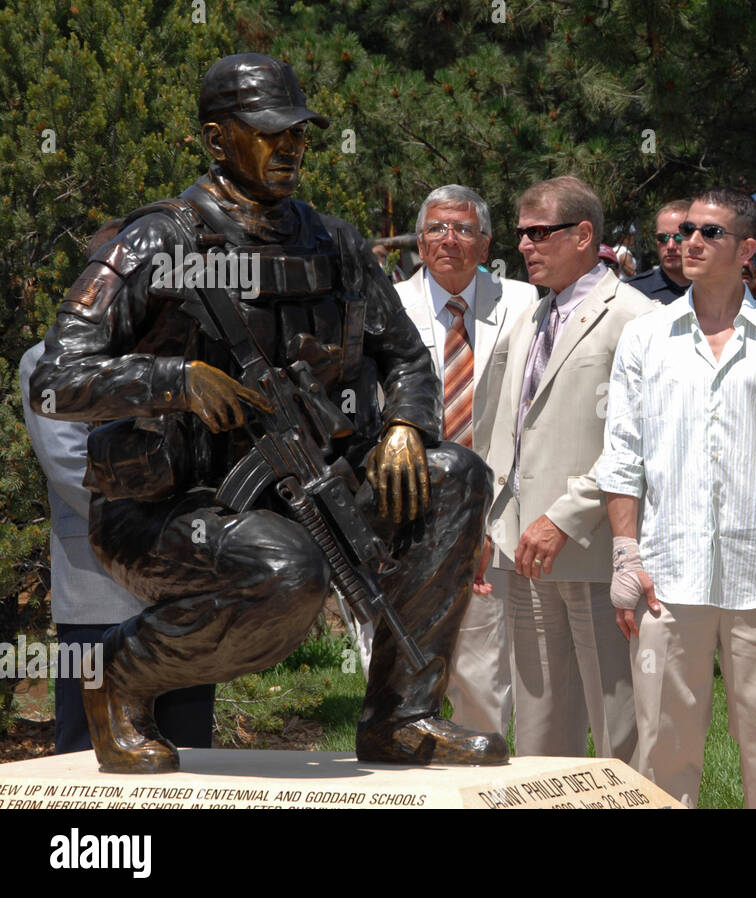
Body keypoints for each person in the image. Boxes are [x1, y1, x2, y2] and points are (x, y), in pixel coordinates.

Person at [29, 52, 504, 772]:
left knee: (456, 475)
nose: (291, 147)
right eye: (270, 132)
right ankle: (120, 674)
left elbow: (407, 356)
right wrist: (174, 379)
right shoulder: (157, 240)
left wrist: (407, 425)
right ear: (217, 140)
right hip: (168, 510)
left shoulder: (335, 242)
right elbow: (56, 378)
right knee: (287, 568)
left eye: (299, 133)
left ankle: (402, 717)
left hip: (311, 483)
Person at [598, 187, 756, 808]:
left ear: (746, 250)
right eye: (683, 230)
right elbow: (623, 453)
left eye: (709, 232)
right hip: (667, 574)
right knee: (663, 748)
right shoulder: (645, 336)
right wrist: (626, 555)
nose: (689, 241)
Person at [481, 175, 655, 762]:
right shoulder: (529, 318)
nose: (524, 245)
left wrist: (564, 517)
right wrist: (489, 524)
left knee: (618, 728)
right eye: (521, 233)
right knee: (540, 729)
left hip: (595, 548)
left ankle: (627, 805)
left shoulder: (636, 317)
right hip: (522, 550)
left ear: (583, 235)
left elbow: (635, 443)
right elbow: (504, 431)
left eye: (539, 232)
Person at [20, 340, 217, 755]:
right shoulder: (47, 361)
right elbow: (71, 468)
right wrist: (170, 529)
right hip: (100, 593)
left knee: (191, 757)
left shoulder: (187, 352)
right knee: (91, 756)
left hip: (186, 594)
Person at [391, 184, 536, 739]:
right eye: (436, 228)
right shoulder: (389, 307)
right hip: (409, 510)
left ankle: (481, 765)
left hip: (494, 506)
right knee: (401, 666)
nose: (448, 240)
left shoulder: (523, 304)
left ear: (486, 244)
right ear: (420, 242)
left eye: (463, 229)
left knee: (482, 669)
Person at [627, 200, 690, 303]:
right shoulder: (634, 291)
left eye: (679, 237)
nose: (670, 246)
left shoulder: (714, 289)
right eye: (662, 238)